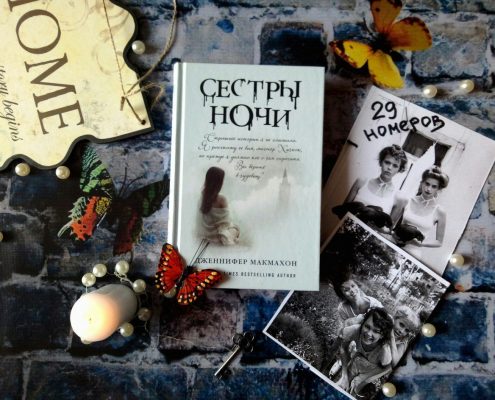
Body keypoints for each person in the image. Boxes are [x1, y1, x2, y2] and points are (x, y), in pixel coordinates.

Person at [335, 145, 408, 231]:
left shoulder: (398, 197)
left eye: (395, 165)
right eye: (387, 162)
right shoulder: (362, 182)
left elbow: (388, 229)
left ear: (399, 169)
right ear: (380, 162)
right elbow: (341, 212)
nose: (389, 168)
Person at [335, 308, 394, 398]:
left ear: (382, 335)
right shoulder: (355, 330)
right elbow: (343, 347)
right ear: (362, 324)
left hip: (374, 370)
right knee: (342, 384)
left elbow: (385, 368)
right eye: (367, 326)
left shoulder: (384, 351)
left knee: (354, 389)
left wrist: (362, 379)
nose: (369, 334)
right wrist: (344, 375)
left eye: (376, 331)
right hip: (358, 360)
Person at [391, 166, 449, 254]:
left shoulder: (439, 211)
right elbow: (390, 226)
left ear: (438, 189)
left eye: (434, 186)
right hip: (393, 244)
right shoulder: (407, 200)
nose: (428, 189)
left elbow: (439, 242)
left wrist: (420, 244)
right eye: (427, 184)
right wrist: (394, 235)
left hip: (413, 253)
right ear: (422, 183)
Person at [198, 166, 239, 245]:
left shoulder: (202, 196)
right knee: (236, 229)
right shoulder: (222, 199)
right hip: (218, 234)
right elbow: (226, 222)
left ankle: (224, 237)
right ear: (218, 183)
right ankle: (224, 238)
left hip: (206, 232)